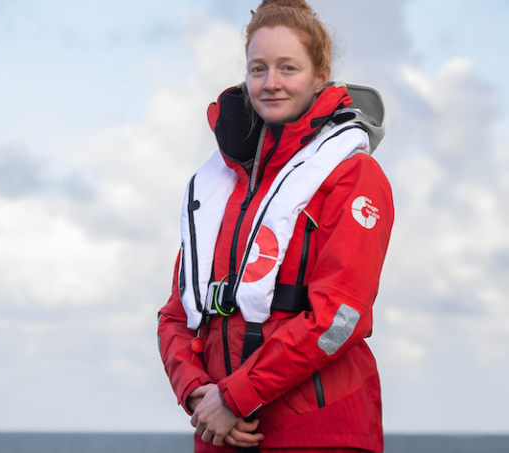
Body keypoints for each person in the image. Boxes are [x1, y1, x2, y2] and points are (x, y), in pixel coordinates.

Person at [158, 0, 393, 452]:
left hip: (319, 433)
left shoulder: (351, 174)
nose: (271, 84)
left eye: (288, 68)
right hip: (221, 432)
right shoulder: (219, 185)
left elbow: (339, 316)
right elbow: (176, 314)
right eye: (258, 69)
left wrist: (236, 395)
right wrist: (198, 394)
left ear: (320, 75)